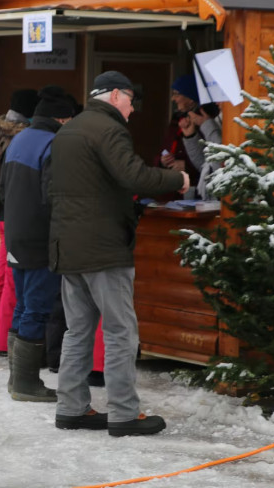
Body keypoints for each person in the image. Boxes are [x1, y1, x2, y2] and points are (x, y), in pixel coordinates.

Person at [50, 71, 188, 436]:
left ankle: (71, 408)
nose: (132, 108)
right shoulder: (108, 128)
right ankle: (125, 414)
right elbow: (135, 177)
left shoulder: (68, 131)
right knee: (120, 331)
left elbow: (52, 187)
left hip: (68, 244)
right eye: (130, 100)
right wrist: (179, 180)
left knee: (77, 330)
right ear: (114, 96)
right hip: (104, 248)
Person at [0, 86, 75, 402]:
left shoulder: (20, 139)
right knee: (38, 308)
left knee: (23, 305)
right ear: (61, 117)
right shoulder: (53, 144)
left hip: (16, 235)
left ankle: (17, 378)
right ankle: (26, 383)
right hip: (40, 238)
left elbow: (4, 188)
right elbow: (53, 198)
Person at [0, 89, 38, 357]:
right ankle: (4, 341)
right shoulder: (24, 138)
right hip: (13, 215)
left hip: (2, 214)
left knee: (1, 278)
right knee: (12, 281)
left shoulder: (4, 135)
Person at [157, 74, 201, 189]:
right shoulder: (176, 119)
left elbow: (211, 161)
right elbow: (165, 148)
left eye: (177, 94)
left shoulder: (203, 122)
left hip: (194, 188)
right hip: (172, 188)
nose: (173, 99)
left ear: (191, 98)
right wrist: (162, 161)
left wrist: (187, 167)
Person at [180, 103, 223, 199]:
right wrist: (190, 136)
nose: (217, 102)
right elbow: (205, 165)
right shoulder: (218, 119)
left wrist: (207, 124)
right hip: (211, 199)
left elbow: (220, 162)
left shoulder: (234, 120)